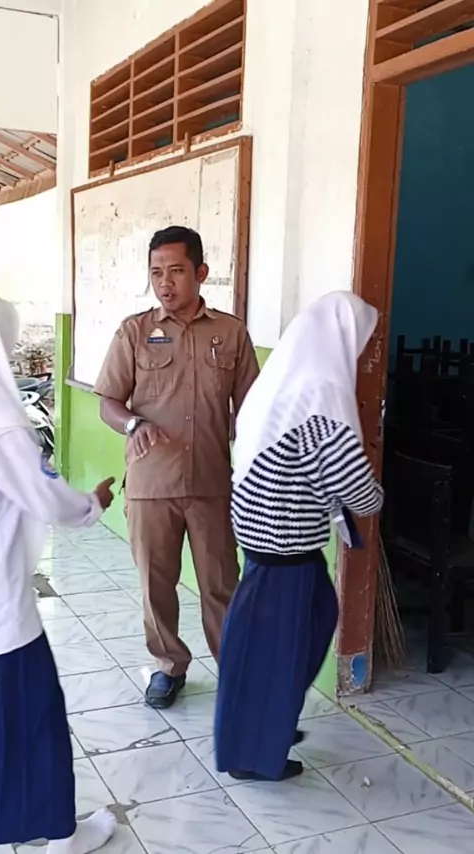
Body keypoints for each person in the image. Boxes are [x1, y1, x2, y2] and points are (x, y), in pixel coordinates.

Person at [215, 291, 384, 782]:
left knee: (307, 626)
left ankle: (271, 723)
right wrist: (377, 498)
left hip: (267, 539)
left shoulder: (283, 380)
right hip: (283, 546)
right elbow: (355, 486)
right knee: (274, 651)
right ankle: (253, 756)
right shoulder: (322, 394)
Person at [94, 226, 259, 709]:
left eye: (176, 271)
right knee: (156, 585)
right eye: (156, 273)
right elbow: (108, 402)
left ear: (201, 272)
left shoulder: (231, 333)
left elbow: (253, 407)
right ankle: (168, 666)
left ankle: (237, 673)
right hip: (151, 484)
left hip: (211, 482)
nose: (165, 283)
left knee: (221, 585)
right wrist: (133, 424)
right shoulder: (134, 331)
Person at [0, 293, 117, 851]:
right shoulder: (2, 424)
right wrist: (91, 505)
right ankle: (59, 834)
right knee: (36, 716)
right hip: (2, 614)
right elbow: (45, 496)